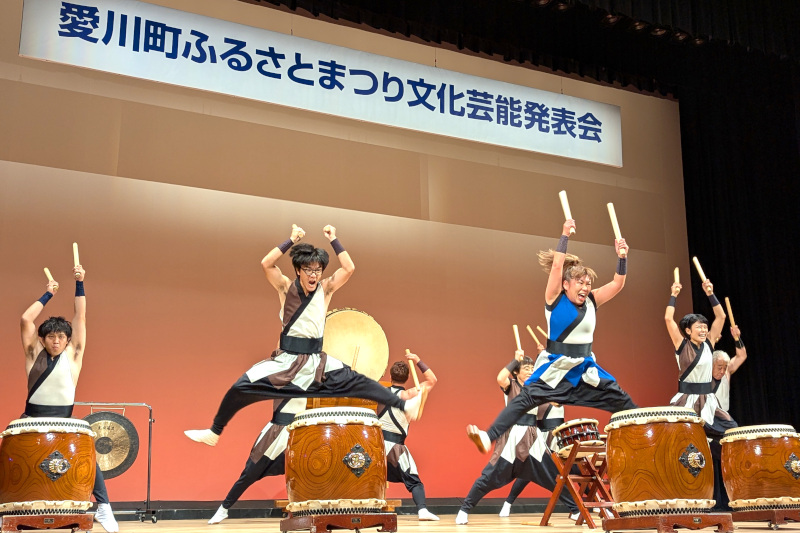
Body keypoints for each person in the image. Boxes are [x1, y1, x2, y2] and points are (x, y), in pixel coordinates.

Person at [186, 225, 421, 446]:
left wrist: (333, 239)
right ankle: (214, 432)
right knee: (240, 386)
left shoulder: (326, 289)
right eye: (308, 270)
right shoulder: (285, 287)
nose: (313, 275)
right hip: (287, 360)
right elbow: (266, 264)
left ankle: (403, 405)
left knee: (359, 382)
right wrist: (292, 240)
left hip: (316, 362)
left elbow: (349, 268)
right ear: (298, 270)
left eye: (317, 270)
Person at [467, 219, 637, 454]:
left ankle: (640, 442)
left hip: (584, 368)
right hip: (556, 366)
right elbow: (557, 267)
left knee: (622, 400)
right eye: (580, 282)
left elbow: (618, 284)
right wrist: (565, 234)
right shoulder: (554, 300)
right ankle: (488, 437)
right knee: (524, 399)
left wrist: (622, 257)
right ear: (566, 285)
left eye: (588, 283)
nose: (585, 287)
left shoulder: (592, 301)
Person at [19, 262, 119, 533]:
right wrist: (48, 294)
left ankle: (104, 507)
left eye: (61, 337)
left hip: (64, 420)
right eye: (50, 336)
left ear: (67, 341)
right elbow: (27, 320)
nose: (56, 341)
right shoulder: (33, 355)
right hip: (31, 419)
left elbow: (81, 317)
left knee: (89, 455)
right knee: (9, 452)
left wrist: (79, 283)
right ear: (42, 340)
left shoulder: (74, 355)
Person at [457, 349, 579, 524]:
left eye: (531, 368)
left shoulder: (537, 389)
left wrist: (547, 355)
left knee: (555, 476)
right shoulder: (511, 386)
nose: (530, 371)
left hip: (533, 438)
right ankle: (464, 509)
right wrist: (515, 360)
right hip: (513, 438)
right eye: (526, 368)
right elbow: (500, 378)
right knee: (489, 478)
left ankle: (575, 509)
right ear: (517, 372)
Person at [665, 278, 737, 510]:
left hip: (709, 400)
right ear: (688, 331)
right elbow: (668, 319)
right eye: (699, 327)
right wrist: (674, 294)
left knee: (731, 432)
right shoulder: (681, 344)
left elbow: (722, 318)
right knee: (680, 445)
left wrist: (710, 293)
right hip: (686, 401)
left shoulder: (709, 344)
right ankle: (681, 493)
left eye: (705, 327)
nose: (704, 330)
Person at [207, 398, 305, 524]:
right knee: (249, 473)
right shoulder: (283, 381)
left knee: (299, 471)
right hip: (275, 435)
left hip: (299, 431)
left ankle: (300, 511)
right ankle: (223, 509)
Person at [377, 352, 438, 521]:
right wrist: (418, 360)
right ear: (407, 378)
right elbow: (432, 380)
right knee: (414, 480)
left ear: (390, 376)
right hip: (396, 448)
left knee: (371, 476)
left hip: (376, 446)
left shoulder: (380, 392)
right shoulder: (411, 394)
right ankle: (422, 510)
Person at [712, 325, 747, 412]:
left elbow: (741, 356)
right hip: (707, 417)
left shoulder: (727, 371)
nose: (722, 371)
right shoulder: (704, 371)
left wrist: (737, 338)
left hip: (723, 416)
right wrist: (712, 340)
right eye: (719, 367)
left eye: (724, 367)